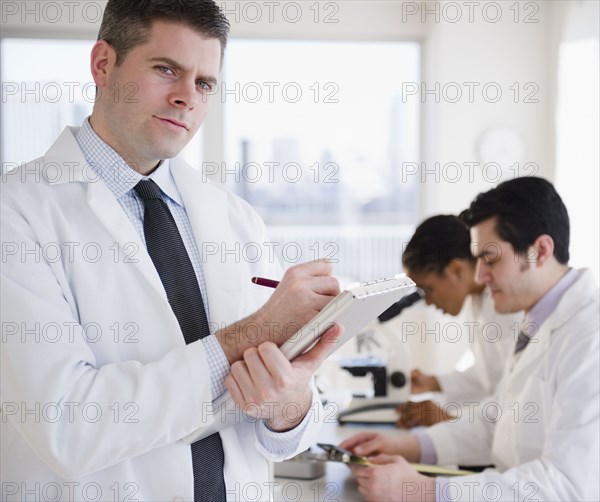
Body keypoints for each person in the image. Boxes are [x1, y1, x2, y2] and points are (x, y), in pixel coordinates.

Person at [0, 1, 343, 501]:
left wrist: (289, 406)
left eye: (204, 83)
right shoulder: (18, 213)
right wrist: (253, 334)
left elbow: (283, 436)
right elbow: (67, 426)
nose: (187, 97)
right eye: (167, 70)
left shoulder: (236, 219)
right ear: (102, 65)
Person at [341, 177, 599, 501]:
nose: (478, 276)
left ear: (540, 251)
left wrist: (427, 491)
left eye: (490, 260)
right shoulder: (538, 320)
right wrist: (411, 445)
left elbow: (567, 484)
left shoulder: (590, 338)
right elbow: (498, 418)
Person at [398, 215, 521, 428]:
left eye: (428, 289)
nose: (428, 301)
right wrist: (434, 382)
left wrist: (448, 419)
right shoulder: (477, 300)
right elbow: (488, 376)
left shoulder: (508, 306)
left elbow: (513, 400)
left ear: (457, 270)